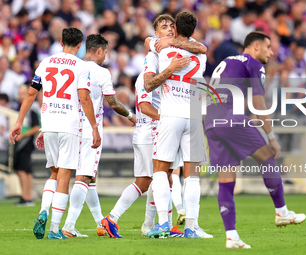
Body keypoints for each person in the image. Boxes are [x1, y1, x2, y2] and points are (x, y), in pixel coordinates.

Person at [101, 14, 205, 239]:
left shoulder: (173, 53)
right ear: (155, 34)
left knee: (161, 178)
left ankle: (153, 224)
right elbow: (145, 106)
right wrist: (166, 118)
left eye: (171, 26)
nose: (168, 30)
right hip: (151, 129)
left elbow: (199, 48)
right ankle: (115, 219)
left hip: (164, 126)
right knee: (150, 180)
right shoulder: (153, 60)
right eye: (163, 27)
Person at [204, 32, 306, 249]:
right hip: (230, 117)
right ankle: (282, 212)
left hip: (211, 121)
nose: (271, 52)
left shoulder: (226, 61)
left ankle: (231, 237)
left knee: (226, 178)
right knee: (268, 157)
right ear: (256, 46)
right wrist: (271, 137)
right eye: (268, 47)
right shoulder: (253, 64)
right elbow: (260, 105)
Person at [10, 27, 101, 240]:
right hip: (69, 124)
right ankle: (54, 229)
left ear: (61, 41)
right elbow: (85, 98)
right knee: (64, 176)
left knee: (53, 172)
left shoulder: (45, 62)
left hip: (48, 123)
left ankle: (43, 209)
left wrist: (19, 122)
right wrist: (94, 127)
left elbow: (32, 93)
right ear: (80, 45)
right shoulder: (81, 66)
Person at [59, 33, 136, 238]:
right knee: (84, 176)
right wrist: (131, 116)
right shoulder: (101, 72)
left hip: (69, 127)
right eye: (105, 52)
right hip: (89, 129)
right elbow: (113, 103)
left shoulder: (74, 67)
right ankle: (69, 225)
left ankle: (99, 222)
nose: (105, 57)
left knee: (90, 177)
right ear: (100, 50)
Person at [144, 12, 207, 238]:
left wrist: (167, 44)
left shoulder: (162, 49)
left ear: (176, 28)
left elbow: (149, 43)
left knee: (160, 170)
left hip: (170, 115)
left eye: (172, 26)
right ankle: (191, 227)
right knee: (192, 175)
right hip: (193, 116)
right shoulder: (200, 53)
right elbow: (201, 48)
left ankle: (163, 223)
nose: (169, 30)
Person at [13, 85, 40, 206]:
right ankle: (27, 196)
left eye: (23, 93)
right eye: (19, 93)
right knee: (26, 170)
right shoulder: (17, 108)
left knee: (21, 169)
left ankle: (25, 196)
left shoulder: (31, 110)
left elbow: (36, 127)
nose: (20, 96)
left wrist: (23, 135)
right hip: (23, 142)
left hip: (25, 142)